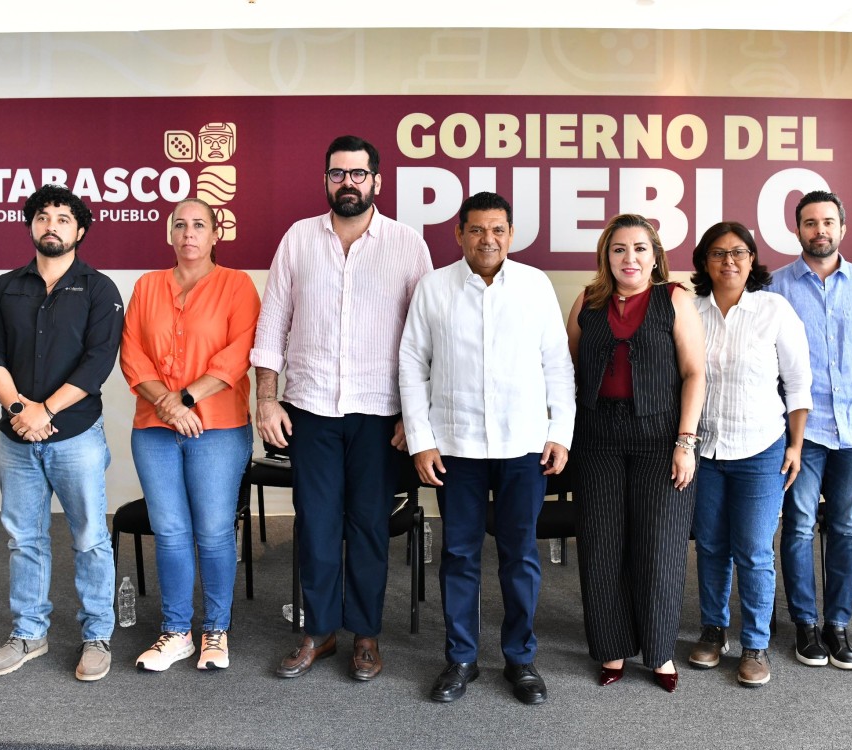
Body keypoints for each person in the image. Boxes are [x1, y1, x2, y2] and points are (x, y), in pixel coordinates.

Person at [251, 135, 432, 682]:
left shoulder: (407, 244)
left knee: (370, 527)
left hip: (381, 415)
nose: (347, 182)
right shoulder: (298, 240)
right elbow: (271, 324)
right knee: (317, 525)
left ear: (376, 181)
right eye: (337, 174)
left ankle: (367, 635)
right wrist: (265, 397)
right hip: (310, 410)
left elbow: (425, 339)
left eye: (358, 174)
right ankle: (321, 631)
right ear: (326, 180)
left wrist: (413, 415)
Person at [399, 191, 576, 706]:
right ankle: (461, 658)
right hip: (456, 446)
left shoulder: (535, 286)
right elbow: (412, 365)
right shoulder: (434, 288)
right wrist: (421, 440)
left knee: (520, 554)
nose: (487, 239)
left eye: (497, 229)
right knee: (458, 555)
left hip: (524, 446)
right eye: (477, 230)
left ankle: (520, 659)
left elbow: (557, 366)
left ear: (511, 234)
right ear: (459, 234)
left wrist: (559, 433)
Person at [0, 184, 124, 681]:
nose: (52, 225)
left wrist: (47, 411)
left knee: (89, 537)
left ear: (79, 230)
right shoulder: (3, 288)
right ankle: (29, 633)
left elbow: (99, 361)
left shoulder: (99, 289)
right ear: (31, 226)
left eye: (63, 218)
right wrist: (21, 408)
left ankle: (97, 634)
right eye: (43, 216)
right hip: (16, 438)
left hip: (76, 436)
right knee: (24, 539)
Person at [565, 214, 705, 692]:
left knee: (660, 547)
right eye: (619, 249)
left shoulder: (675, 300)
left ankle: (660, 651)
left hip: (661, 438)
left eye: (640, 248)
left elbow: (695, 374)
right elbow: (568, 372)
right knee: (602, 547)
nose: (630, 258)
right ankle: (610, 648)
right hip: (597, 437)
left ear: (656, 255)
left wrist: (686, 443)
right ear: (607, 256)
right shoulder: (587, 301)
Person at [120, 199, 260, 671]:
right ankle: (177, 631)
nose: (189, 233)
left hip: (219, 428)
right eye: (180, 225)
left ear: (216, 234)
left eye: (199, 225)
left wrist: (185, 400)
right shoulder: (146, 285)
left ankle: (215, 631)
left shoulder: (237, 285)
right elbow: (132, 353)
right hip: (154, 431)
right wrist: (167, 404)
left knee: (215, 532)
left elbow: (239, 354)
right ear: (169, 234)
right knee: (171, 533)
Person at [687, 221, 811, 688]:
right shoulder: (691, 310)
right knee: (713, 546)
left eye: (739, 253)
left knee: (755, 551)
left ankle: (755, 643)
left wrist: (796, 444)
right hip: (705, 449)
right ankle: (713, 631)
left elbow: (799, 383)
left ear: (752, 260)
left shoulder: (773, 309)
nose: (729, 262)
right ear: (704, 262)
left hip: (761, 448)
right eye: (718, 254)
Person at [768, 190, 852, 670]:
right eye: (811, 223)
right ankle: (806, 625)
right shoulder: (775, 286)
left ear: (843, 228)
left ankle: (838, 625)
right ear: (797, 230)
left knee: (846, 527)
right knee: (797, 526)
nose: (821, 230)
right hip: (803, 430)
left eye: (828, 222)